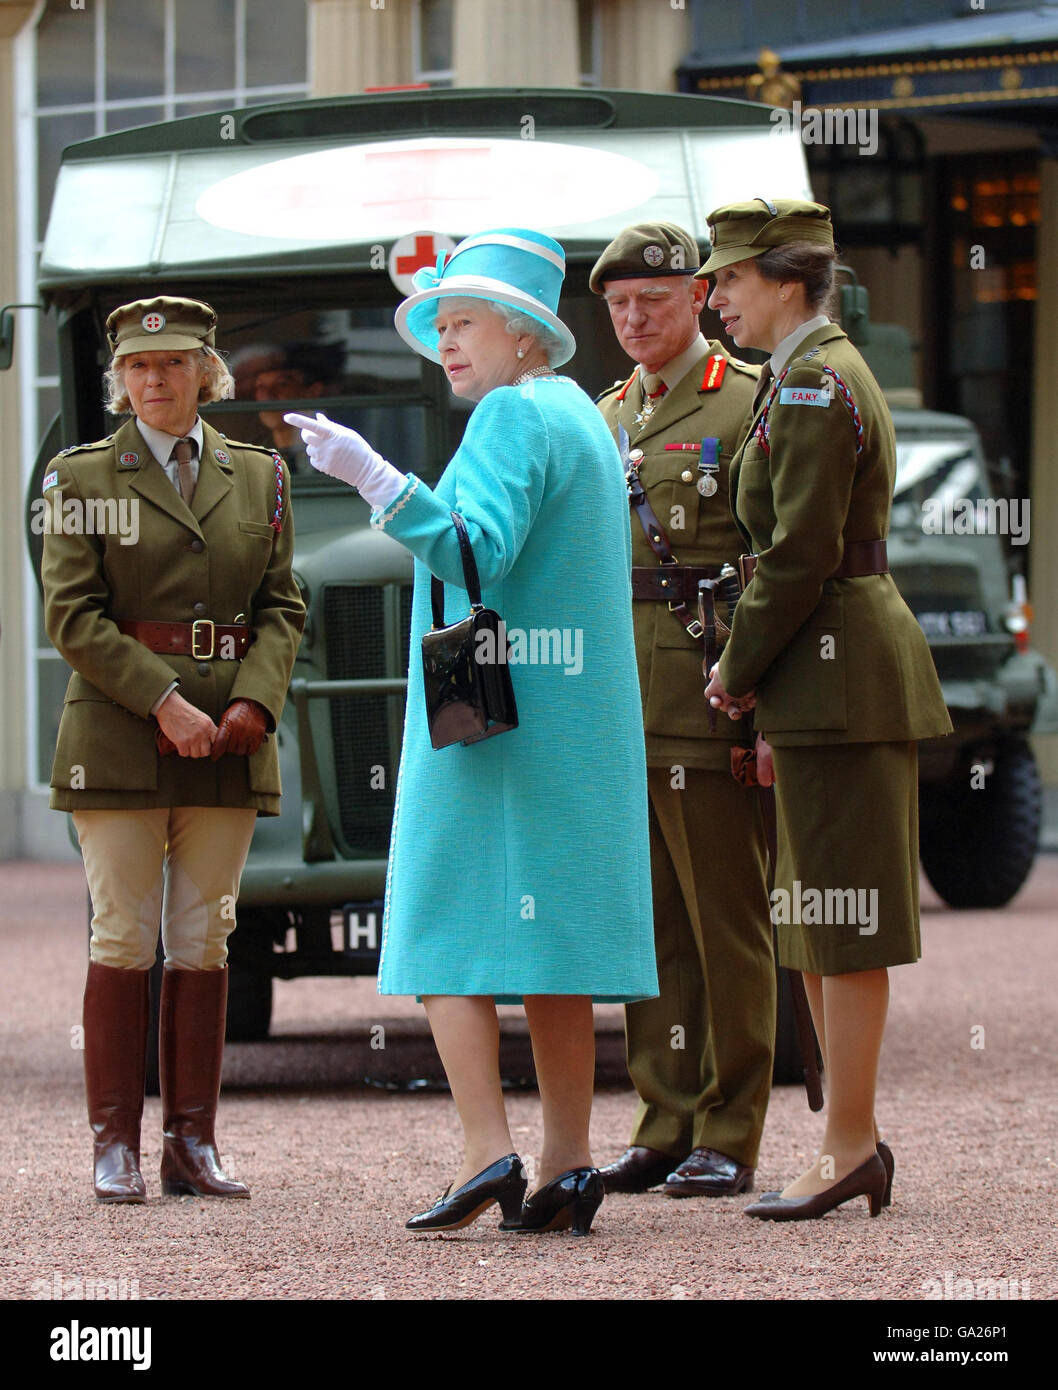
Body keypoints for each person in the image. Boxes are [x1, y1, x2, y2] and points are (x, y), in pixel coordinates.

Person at [286, 229, 656, 1236]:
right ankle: (569, 1164)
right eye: (438, 326)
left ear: (525, 333)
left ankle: (485, 1152)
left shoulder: (507, 416)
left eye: (461, 323)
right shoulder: (575, 412)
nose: (443, 343)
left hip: (492, 722)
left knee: (435, 930)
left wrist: (375, 478)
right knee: (554, 952)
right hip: (565, 717)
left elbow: (466, 545)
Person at [700, 199, 952, 1220]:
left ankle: (848, 1141)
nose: (713, 299)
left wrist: (733, 663)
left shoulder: (810, 381)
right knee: (810, 913)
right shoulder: (799, 375)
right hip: (824, 678)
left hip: (837, 676)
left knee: (839, 915)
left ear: (786, 279)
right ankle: (845, 1138)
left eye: (728, 280)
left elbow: (798, 554)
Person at [42, 296, 305, 1203]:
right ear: (120, 380)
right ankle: (113, 1143)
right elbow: (71, 616)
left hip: (229, 738)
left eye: (173, 364)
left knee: (206, 938)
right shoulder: (79, 479)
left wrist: (255, 704)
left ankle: (192, 1145)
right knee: (122, 933)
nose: (154, 380)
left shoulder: (260, 476)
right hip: (118, 734)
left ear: (206, 372)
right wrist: (163, 701)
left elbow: (282, 605)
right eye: (137, 368)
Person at [590, 223, 775, 1201]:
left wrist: (755, 698)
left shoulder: (744, 399)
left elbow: (772, 557)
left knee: (725, 918)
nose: (631, 319)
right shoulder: (603, 410)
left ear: (697, 298)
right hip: (617, 699)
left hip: (705, 687)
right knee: (649, 920)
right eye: (617, 304)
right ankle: (661, 1121)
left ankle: (729, 1127)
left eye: (651, 301)